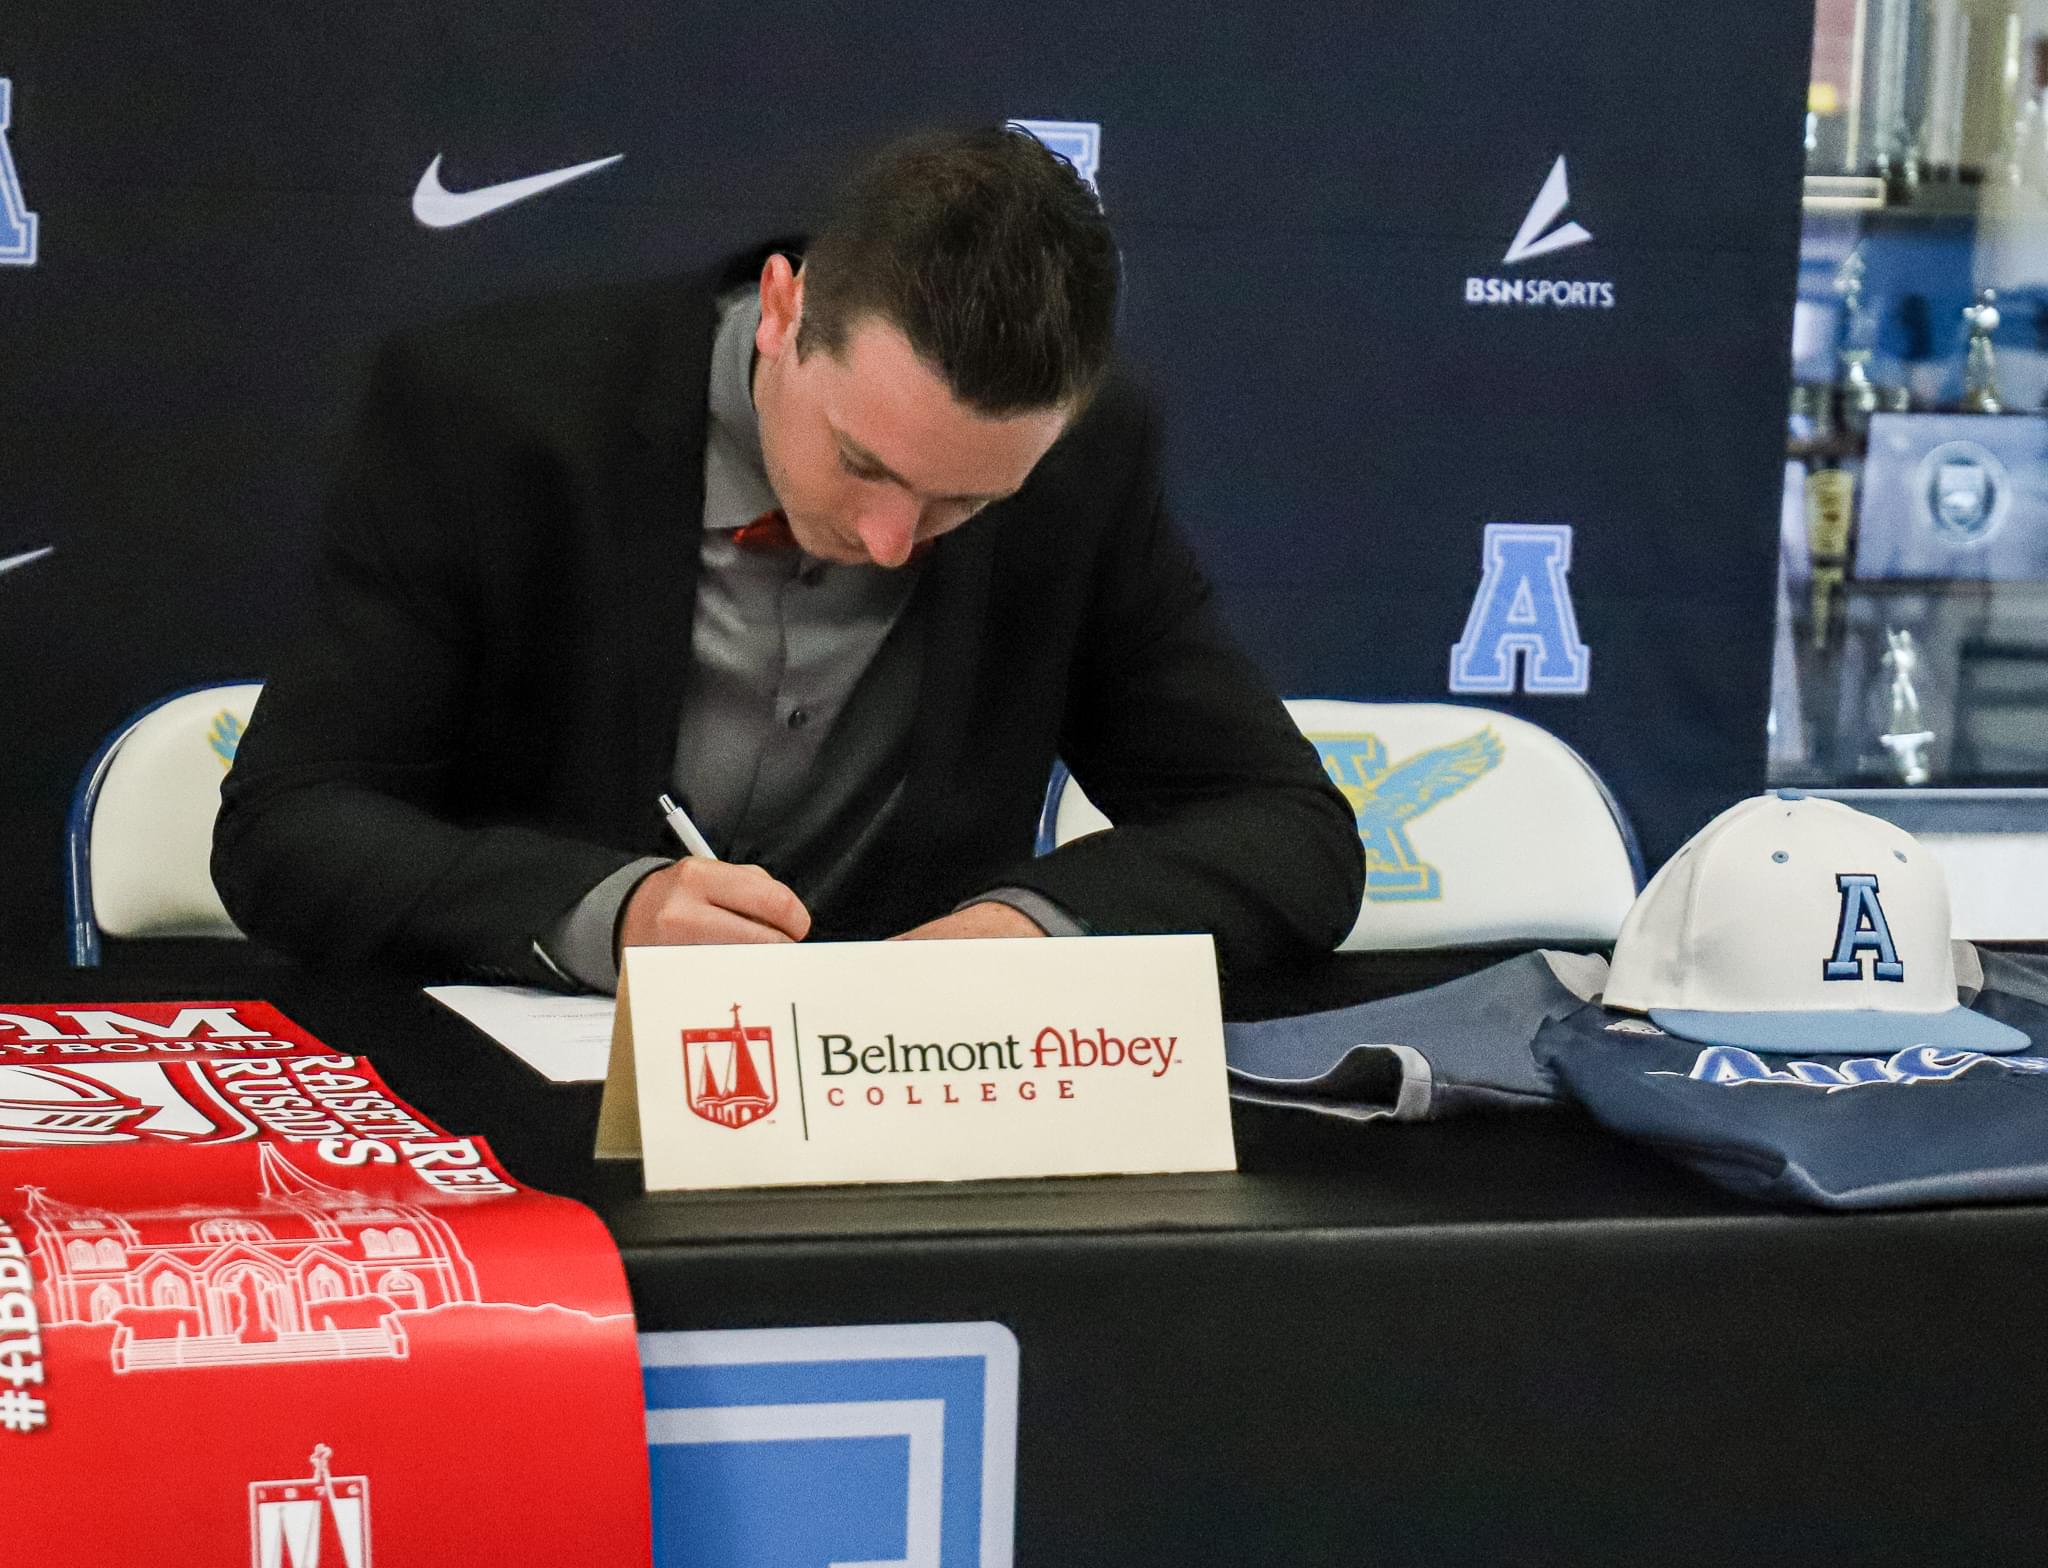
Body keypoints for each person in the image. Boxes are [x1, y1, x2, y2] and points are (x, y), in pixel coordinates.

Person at [212, 125, 1363, 991]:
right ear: (781, 308)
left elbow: (1288, 830)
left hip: (899, 1115)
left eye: (967, 497)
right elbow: (288, 825)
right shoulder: (489, 416)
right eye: (861, 459)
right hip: (520, 1111)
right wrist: (611, 914)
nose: (890, 538)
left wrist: (1023, 929)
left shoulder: (1086, 463)